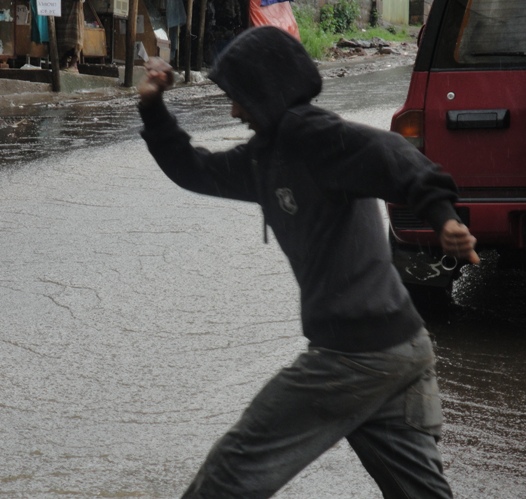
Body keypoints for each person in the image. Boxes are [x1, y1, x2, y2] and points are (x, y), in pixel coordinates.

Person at [137, 26, 479, 498]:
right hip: (403, 349)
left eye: (239, 99)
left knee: (231, 472)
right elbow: (194, 170)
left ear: (267, 93)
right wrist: (152, 106)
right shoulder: (263, 159)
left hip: (353, 357)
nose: (235, 112)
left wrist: (442, 216)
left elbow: (394, 154)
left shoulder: (320, 138)